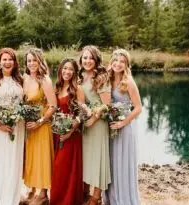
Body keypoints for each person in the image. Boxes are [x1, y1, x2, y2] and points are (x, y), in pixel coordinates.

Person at [0, 48, 25, 205]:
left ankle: (12, 195)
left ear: (15, 63)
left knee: (14, 158)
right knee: (0, 159)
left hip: (17, 125)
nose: (7, 62)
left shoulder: (19, 79)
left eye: (10, 59)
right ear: (0, 62)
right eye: (4, 59)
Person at [104, 49, 142, 205]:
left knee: (123, 163)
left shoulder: (129, 83)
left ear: (126, 65)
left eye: (122, 61)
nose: (118, 64)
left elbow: (138, 108)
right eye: (116, 60)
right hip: (110, 126)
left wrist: (123, 123)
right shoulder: (107, 79)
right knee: (112, 162)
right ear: (111, 62)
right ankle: (111, 198)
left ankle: (124, 199)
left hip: (124, 128)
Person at [20, 48, 57, 205]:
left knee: (42, 157)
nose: (31, 63)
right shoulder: (24, 78)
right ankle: (32, 188)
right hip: (28, 125)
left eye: (34, 60)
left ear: (40, 61)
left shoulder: (45, 80)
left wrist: (40, 121)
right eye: (29, 60)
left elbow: (53, 106)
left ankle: (43, 193)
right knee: (31, 157)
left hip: (41, 124)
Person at [78, 45, 111, 205]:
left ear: (97, 60)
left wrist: (94, 117)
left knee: (97, 157)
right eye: (85, 57)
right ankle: (85, 191)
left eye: (91, 58)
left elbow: (107, 105)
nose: (87, 61)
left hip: (98, 123)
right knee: (86, 157)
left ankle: (96, 196)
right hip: (85, 122)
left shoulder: (101, 78)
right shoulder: (80, 77)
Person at [50, 58, 85, 205]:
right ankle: (57, 199)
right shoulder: (56, 87)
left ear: (75, 72)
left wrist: (70, 131)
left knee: (66, 168)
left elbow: (82, 113)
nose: (67, 72)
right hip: (57, 133)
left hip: (71, 135)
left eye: (71, 69)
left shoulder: (77, 89)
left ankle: (68, 201)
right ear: (60, 70)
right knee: (57, 169)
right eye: (65, 68)